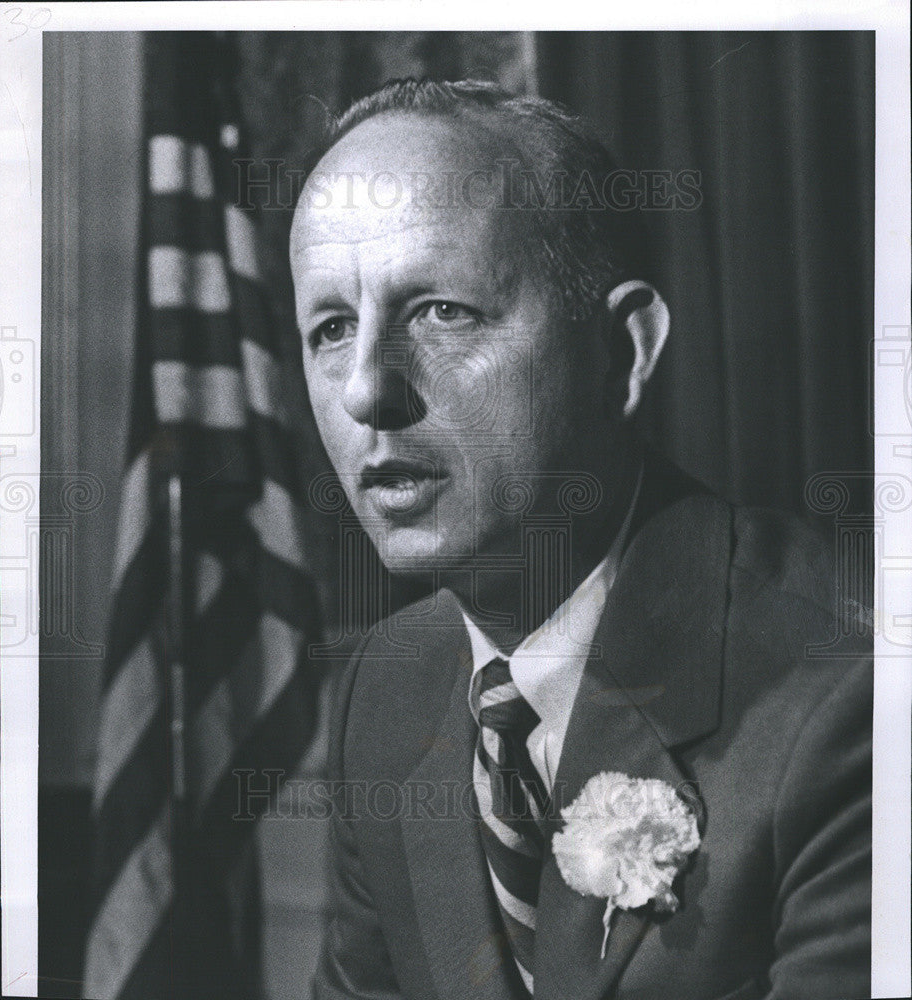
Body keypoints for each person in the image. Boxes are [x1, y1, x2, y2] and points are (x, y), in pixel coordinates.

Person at [290, 79, 872, 1000]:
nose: (366, 390)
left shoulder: (855, 692)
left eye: (441, 312)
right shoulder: (387, 686)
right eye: (331, 328)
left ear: (622, 353)